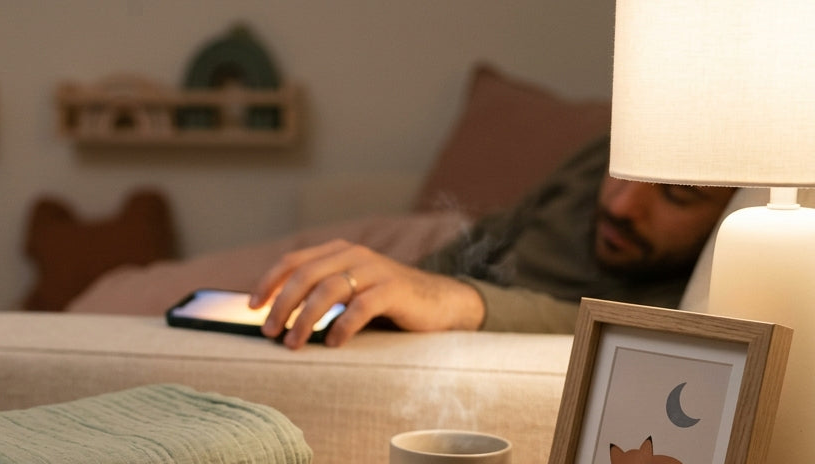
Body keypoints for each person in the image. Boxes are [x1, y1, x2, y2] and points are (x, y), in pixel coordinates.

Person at [249, 135, 737, 348]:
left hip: (466, 302)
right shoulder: (603, 158)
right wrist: (411, 285)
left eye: (676, 195)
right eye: (622, 171)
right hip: (437, 251)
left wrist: (452, 300)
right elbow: (503, 227)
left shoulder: (711, 280)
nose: (624, 204)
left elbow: (629, 325)